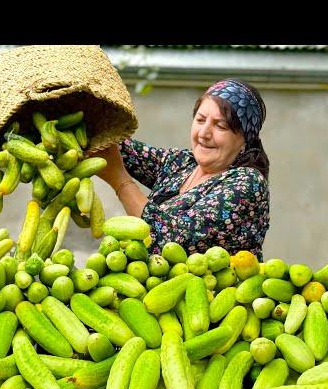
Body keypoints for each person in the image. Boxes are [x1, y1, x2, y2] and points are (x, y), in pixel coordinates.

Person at [91, 78, 270, 260]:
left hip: (207, 288)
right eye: (200, 120)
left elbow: (171, 242)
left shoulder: (248, 182)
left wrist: (121, 182)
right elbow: (118, 147)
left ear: (244, 139)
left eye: (220, 126)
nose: (204, 133)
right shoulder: (182, 163)